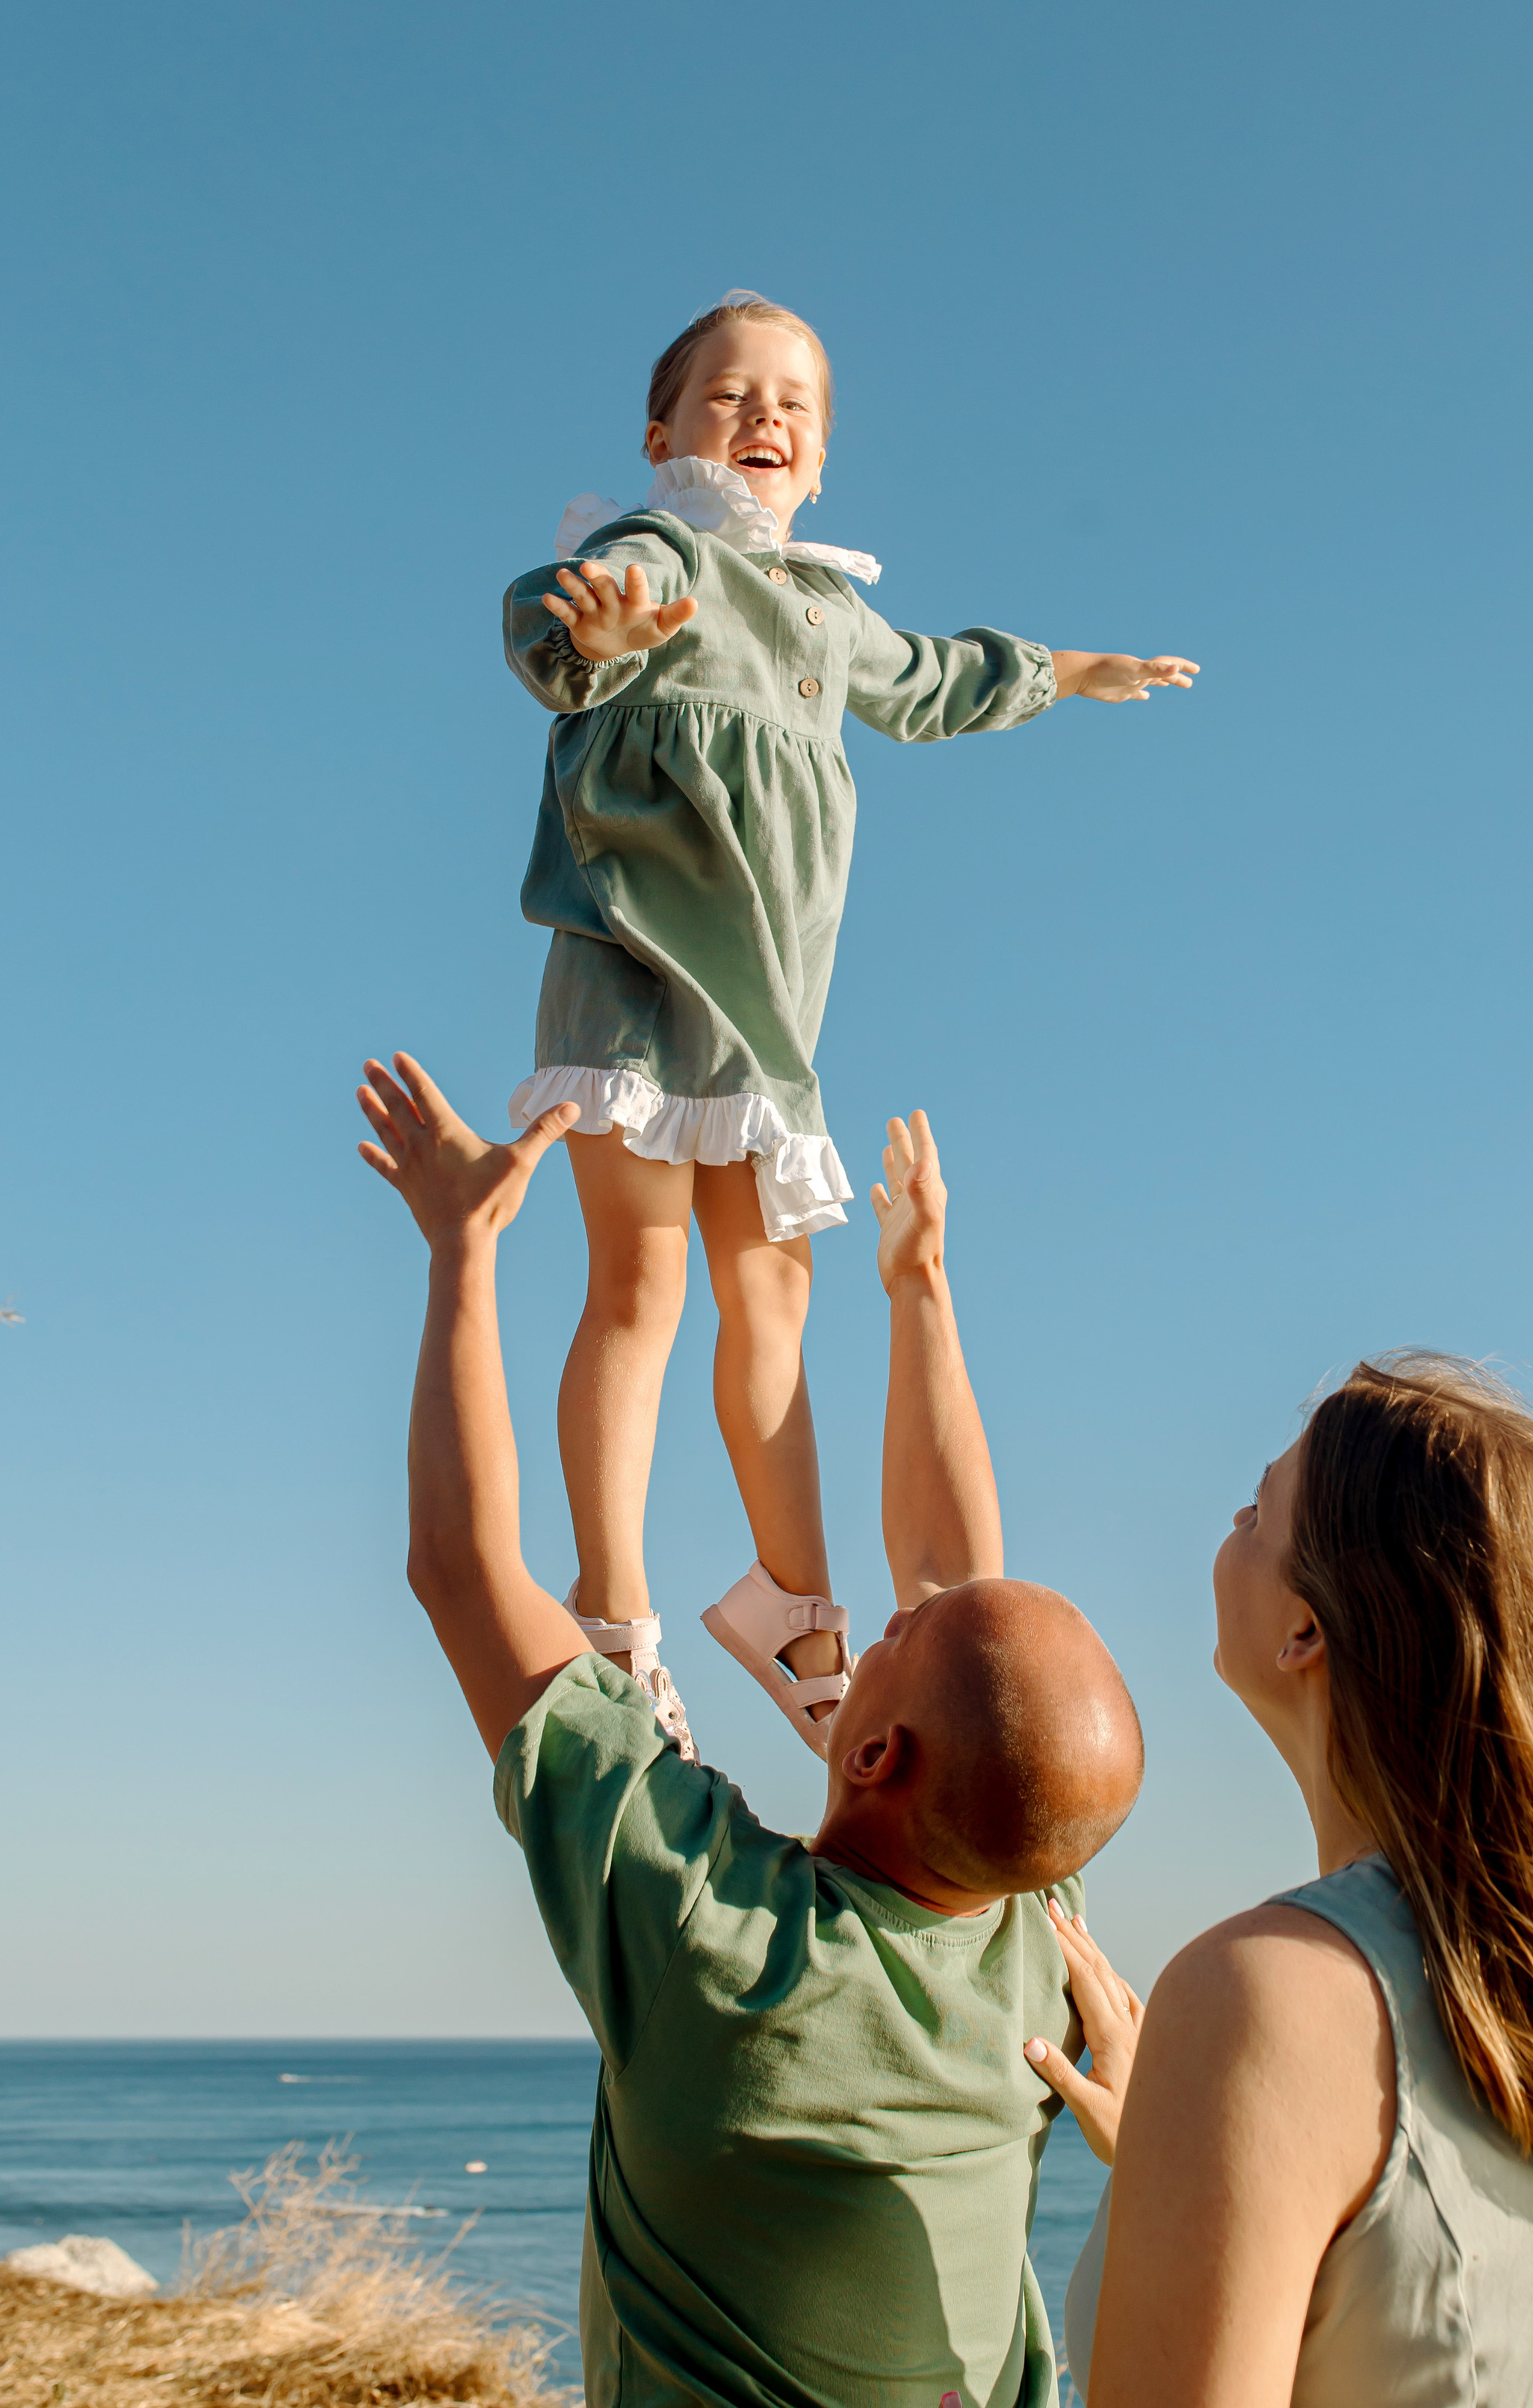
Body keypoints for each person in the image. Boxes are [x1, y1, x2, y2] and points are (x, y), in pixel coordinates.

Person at [354, 1053, 1145, 2408]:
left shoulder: (710, 1942)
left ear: (879, 1752)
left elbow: (462, 1567)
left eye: (890, 1638)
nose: (884, 1613)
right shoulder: (1037, 1940)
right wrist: (918, 1289)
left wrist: (463, 1247)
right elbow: (962, 1590)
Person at [792, 1358, 1533, 2408]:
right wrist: (1180, 2141)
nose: (1231, 1523)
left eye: (1259, 1509)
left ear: (1306, 1628)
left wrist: (1223, 2088)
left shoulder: (1269, 1997)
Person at [502, 290, 1197, 1759]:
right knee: (641, 1284)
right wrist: (594, 633)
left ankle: (792, 1602)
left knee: (775, 1301)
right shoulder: (656, 554)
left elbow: (932, 682)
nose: (764, 416)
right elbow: (555, 630)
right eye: (729, 393)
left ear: (820, 460)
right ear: (662, 434)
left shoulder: (827, 609)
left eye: (795, 404)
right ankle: (611, 1606)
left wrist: (1071, 672)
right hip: (633, 970)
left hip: (765, 1014)